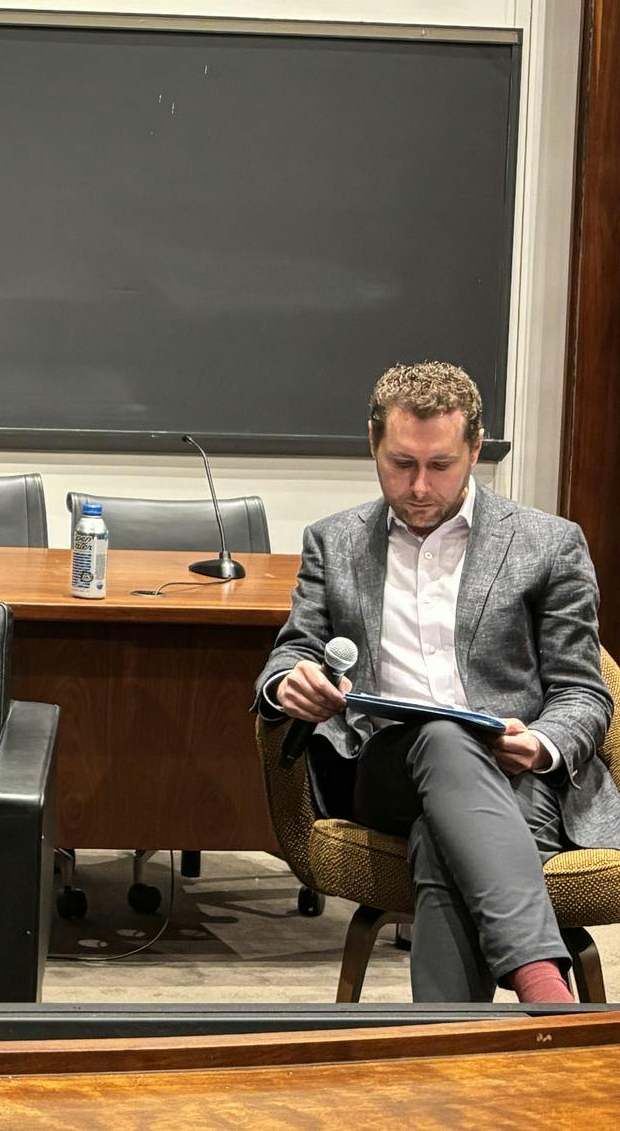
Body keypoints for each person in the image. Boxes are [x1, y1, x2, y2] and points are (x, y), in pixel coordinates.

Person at [257, 361, 618, 1003]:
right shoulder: (334, 543)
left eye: (441, 465)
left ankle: (450, 1046)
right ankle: (546, 991)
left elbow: (583, 692)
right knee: (445, 737)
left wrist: (540, 744)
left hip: (516, 775)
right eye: (401, 464)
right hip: (386, 772)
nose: (419, 486)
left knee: (440, 843)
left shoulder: (550, 544)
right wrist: (289, 684)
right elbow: (293, 652)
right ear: (373, 442)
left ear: (475, 450)